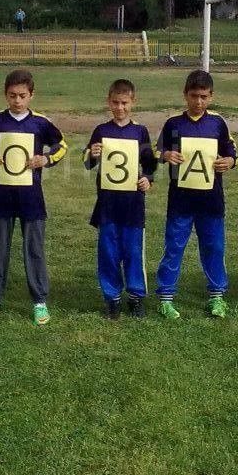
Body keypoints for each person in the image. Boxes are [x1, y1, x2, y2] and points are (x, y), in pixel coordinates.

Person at [0, 68, 67, 325]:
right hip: (1, 197)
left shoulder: (40, 123)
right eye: (12, 95)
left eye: (22, 96)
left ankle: (39, 300)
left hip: (31, 199)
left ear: (31, 95)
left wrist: (46, 159)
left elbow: (62, 146)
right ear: (5, 94)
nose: (17, 101)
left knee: (34, 249)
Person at [155, 69, 236, 319]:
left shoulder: (217, 123)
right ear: (185, 95)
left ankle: (216, 297)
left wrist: (229, 162)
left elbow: (231, 150)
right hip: (180, 200)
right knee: (174, 247)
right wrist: (166, 155)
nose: (198, 101)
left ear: (211, 96)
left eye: (203, 96)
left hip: (211, 201)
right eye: (193, 96)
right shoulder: (174, 124)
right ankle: (166, 297)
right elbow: (158, 150)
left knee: (214, 247)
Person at [83, 79, 157, 318]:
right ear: (109, 101)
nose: (120, 107)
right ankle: (112, 298)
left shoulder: (140, 131)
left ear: (133, 102)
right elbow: (87, 162)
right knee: (108, 252)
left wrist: (147, 179)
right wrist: (92, 154)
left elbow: (149, 164)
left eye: (124, 103)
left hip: (133, 205)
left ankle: (136, 297)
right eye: (115, 102)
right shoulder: (101, 131)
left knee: (134, 252)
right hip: (107, 205)